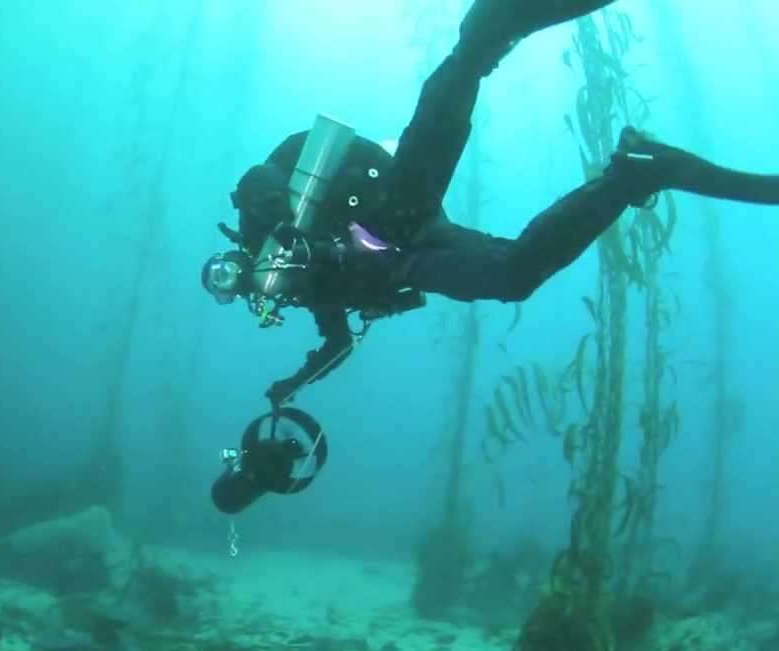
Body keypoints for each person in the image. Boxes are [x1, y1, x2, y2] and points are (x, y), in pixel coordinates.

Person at [202, 0, 779, 409]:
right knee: (513, 276)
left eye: (229, 279)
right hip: (413, 249)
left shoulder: (270, 228)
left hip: (387, 216)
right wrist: (292, 385)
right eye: (242, 293)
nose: (250, 291)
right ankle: (631, 176)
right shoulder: (307, 293)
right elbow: (338, 341)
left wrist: (284, 218)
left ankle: (483, 35)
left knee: (431, 145)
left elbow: (260, 176)